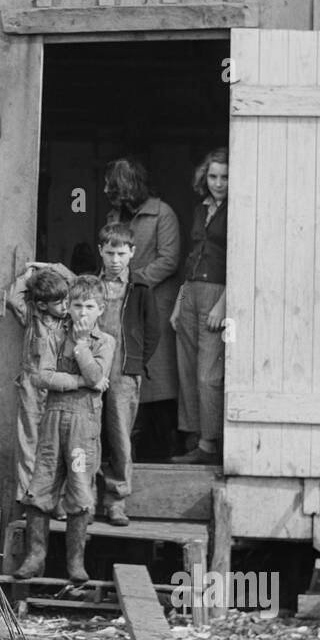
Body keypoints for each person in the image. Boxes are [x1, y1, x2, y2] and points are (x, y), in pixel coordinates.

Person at [17, 275, 115, 583]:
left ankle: (76, 563)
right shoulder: (55, 336)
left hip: (83, 427)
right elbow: (42, 376)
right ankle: (35, 558)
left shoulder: (105, 342)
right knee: (41, 483)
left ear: (101, 309)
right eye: (76, 305)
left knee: (80, 488)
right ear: (68, 307)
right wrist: (81, 382)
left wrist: (83, 347)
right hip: (53, 421)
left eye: (89, 306)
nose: (82, 312)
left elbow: (99, 372)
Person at [103, 158, 181, 463]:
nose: (108, 190)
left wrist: (133, 280)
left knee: (157, 378)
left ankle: (159, 450)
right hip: (119, 304)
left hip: (153, 303)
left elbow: (169, 260)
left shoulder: (163, 214)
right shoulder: (115, 216)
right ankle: (124, 451)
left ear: (127, 186)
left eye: (113, 185)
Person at [171, 148, 228, 466]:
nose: (218, 183)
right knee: (188, 369)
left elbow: (241, 258)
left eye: (224, 177)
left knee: (209, 374)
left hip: (216, 293)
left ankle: (209, 444)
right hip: (190, 291)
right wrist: (179, 303)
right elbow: (190, 257)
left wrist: (223, 304)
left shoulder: (237, 207)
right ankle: (195, 439)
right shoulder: (200, 209)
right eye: (213, 176)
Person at [5, 263, 71, 505]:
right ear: (42, 304)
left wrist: (52, 267)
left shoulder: (70, 320)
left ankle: (59, 500)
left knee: (59, 444)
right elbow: (13, 297)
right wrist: (29, 273)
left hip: (60, 389)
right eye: (59, 302)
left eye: (66, 300)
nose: (65, 306)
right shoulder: (31, 315)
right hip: (33, 389)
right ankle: (28, 496)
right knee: (29, 443)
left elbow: (76, 283)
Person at [93, 223, 146, 526]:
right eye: (110, 252)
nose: (115, 259)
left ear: (132, 253)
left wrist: (137, 364)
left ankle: (116, 501)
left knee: (119, 434)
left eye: (121, 253)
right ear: (100, 251)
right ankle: (83, 498)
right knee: (88, 432)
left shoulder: (139, 288)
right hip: (93, 367)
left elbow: (150, 331)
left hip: (124, 371)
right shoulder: (90, 285)